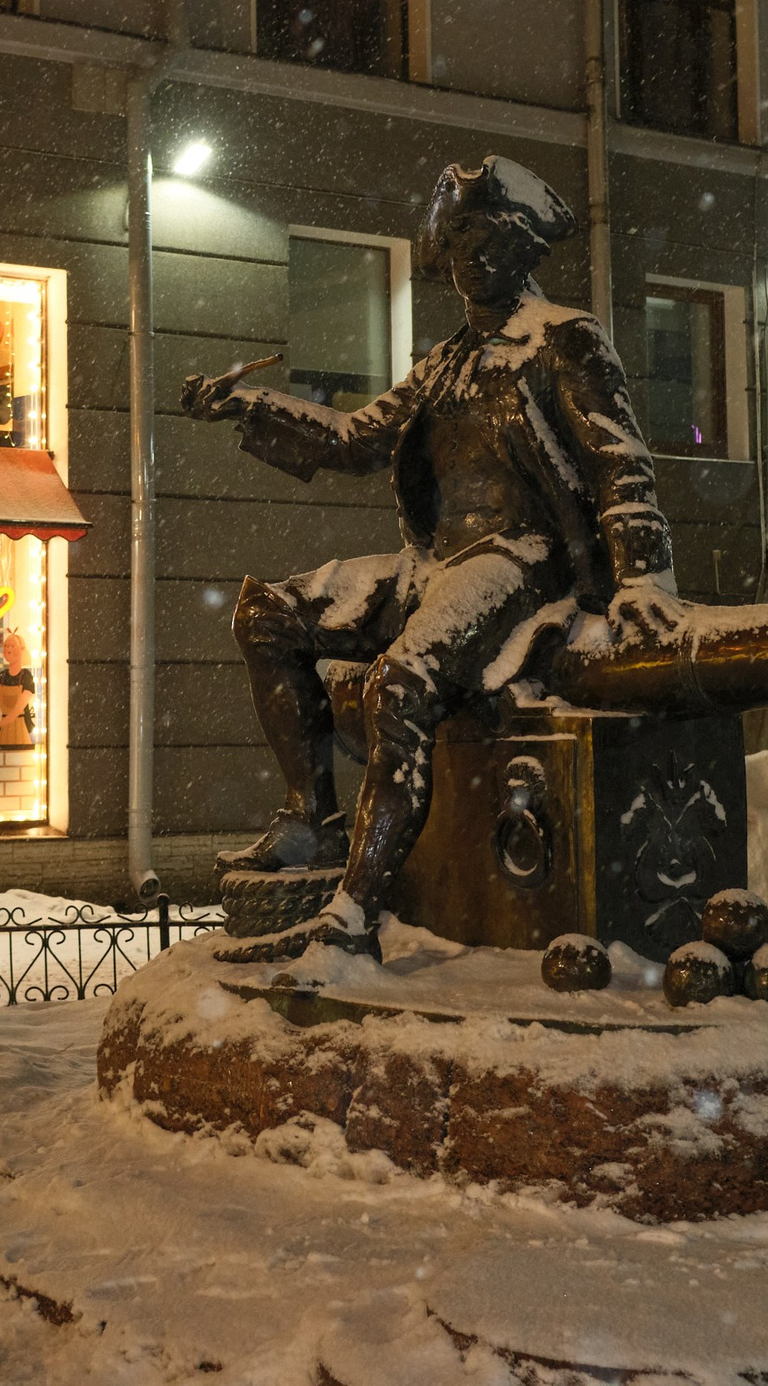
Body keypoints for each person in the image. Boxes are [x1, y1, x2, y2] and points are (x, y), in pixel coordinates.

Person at [179, 155, 676, 964]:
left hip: (519, 561)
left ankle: (354, 911)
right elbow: (354, 439)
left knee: (400, 683)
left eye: (490, 237)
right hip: (432, 566)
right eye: (460, 239)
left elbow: (621, 461)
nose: (472, 256)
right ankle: (311, 819)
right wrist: (248, 403)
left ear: (524, 246)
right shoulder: (443, 364)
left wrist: (642, 576)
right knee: (267, 612)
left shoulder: (564, 339)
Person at [0, 631, 35, 747]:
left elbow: (17, 711)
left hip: (20, 727)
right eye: (6, 646)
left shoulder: (26, 676)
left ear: (22, 649)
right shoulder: (1, 676)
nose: (8, 649)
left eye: (13, 646)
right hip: (2, 726)